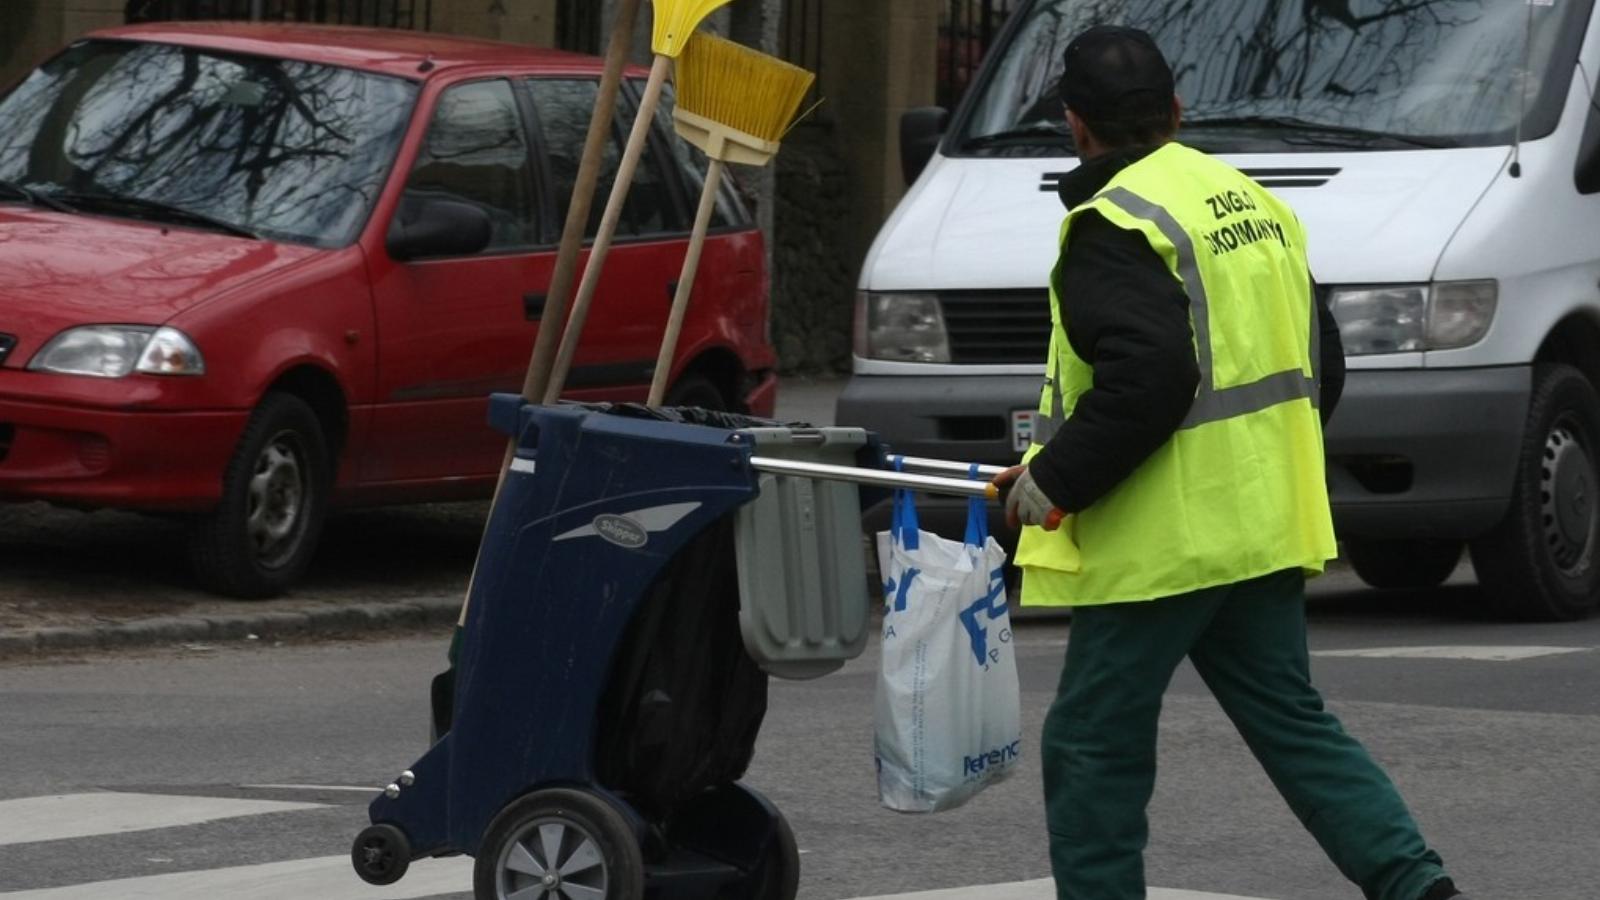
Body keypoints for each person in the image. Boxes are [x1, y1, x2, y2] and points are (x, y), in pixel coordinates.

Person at [991, 25, 1468, 900]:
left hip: (1163, 546)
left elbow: (1152, 379)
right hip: (1263, 525)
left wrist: (1052, 480)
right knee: (1295, 724)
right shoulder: (1250, 203)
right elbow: (1321, 361)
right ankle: (1417, 887)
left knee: (1093, 743)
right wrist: (1254, 461)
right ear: (1176, 112)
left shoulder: (1113, 223)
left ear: (1075, 126)